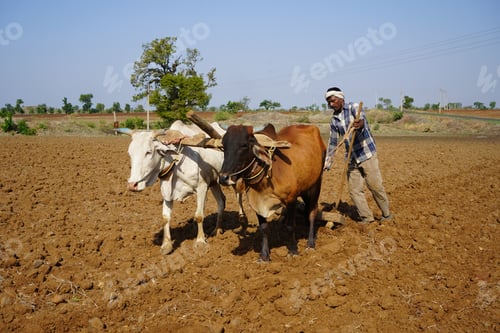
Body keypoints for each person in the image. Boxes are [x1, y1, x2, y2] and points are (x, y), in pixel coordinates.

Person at [323, 86, 392, 224]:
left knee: (375, 186)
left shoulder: (354, 107)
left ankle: (387, 214)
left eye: (333, 100)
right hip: (352, 157)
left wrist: (359, 124)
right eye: (329, 102)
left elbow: (363, 123)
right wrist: (327, 162)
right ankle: (367, 218)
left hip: (366, 154)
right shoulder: (334, 119)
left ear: (341, 98)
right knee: (354, 190)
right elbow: (333, 142)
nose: (331, 104)